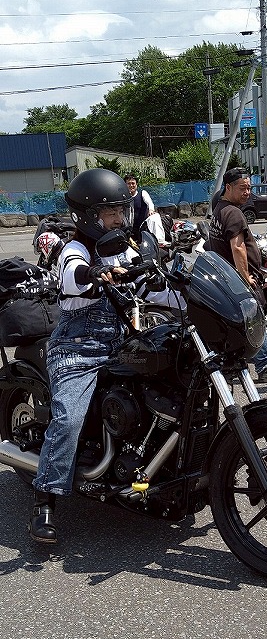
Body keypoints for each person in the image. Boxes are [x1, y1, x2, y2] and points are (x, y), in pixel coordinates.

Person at [30, 168, 137, 544]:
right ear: (90, 216)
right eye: (111, 213)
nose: (119, 219)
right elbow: (73, 277)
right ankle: (44, 501)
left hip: (118, 346)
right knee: (69, 418)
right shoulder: (74, 251)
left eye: (121, 211)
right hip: (77, 351)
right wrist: (95, 274)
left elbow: (148, 280)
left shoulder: (121, 247)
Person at [208, 167, 267, 383]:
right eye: (242, 188)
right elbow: (238, 247)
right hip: (238, 278)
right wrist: (246, 276)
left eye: (249, 188)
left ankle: (230, 367)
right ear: (228, 187)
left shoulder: (220, 208)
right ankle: (265, 365)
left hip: (226, 276)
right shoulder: (233, 213)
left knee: (238, 323)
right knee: (255, 320)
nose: (247, 192)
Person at [123, 174, 155, 240]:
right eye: (128, 184)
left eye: (133, 183)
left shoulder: (142, 193)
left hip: (143, 228)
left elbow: (150, 203)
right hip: (130, 230)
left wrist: (151, 210)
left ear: (136, 184)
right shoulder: (124, 198)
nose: (131, 185)